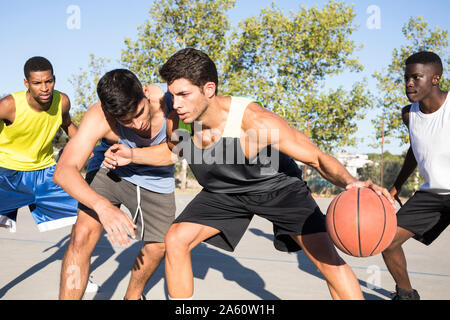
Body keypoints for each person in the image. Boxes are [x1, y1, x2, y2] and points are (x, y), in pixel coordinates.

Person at [103, 48, 394, 300]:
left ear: (208, 89)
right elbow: (174, 152)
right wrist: (133, 154)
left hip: (277, 188)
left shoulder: (253, 121)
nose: (175, 103)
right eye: (172, 94)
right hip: (223, 193)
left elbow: (316, 158)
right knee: (176, 239)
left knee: (326, 261)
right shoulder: (178, 120)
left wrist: (350, 183)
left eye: (184, 94)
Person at [53, 69, 176, 300]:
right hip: (109, 168)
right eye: (126, 121)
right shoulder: (100, 116)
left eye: (140, 112)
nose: (137, 124)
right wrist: (102, 206)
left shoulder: (173, 101)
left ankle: (133, 296)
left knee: (159, 246)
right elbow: (63, 171)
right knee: (81, 235)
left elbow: (179, 151)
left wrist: (134, 155)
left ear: (146, 92)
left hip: (156, 176)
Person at [381, 51, 449, 300]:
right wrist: (396, 186)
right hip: (432, 194)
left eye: (416, 77)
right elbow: (415, 149)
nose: (409, 83)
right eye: (407, 78)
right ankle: (406, 294)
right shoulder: (410, 114)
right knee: (386, 240)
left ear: (435, 79)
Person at [0, 56, 78, 233]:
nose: (44, 88)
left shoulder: (62, 102)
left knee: (85, 215)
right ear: (27, 83)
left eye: (48, 81)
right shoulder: (8, 105)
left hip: (45, 173)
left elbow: (68, 125)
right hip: (7, 173)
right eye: (37, 83)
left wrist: (90, 150)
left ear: (54, 79)